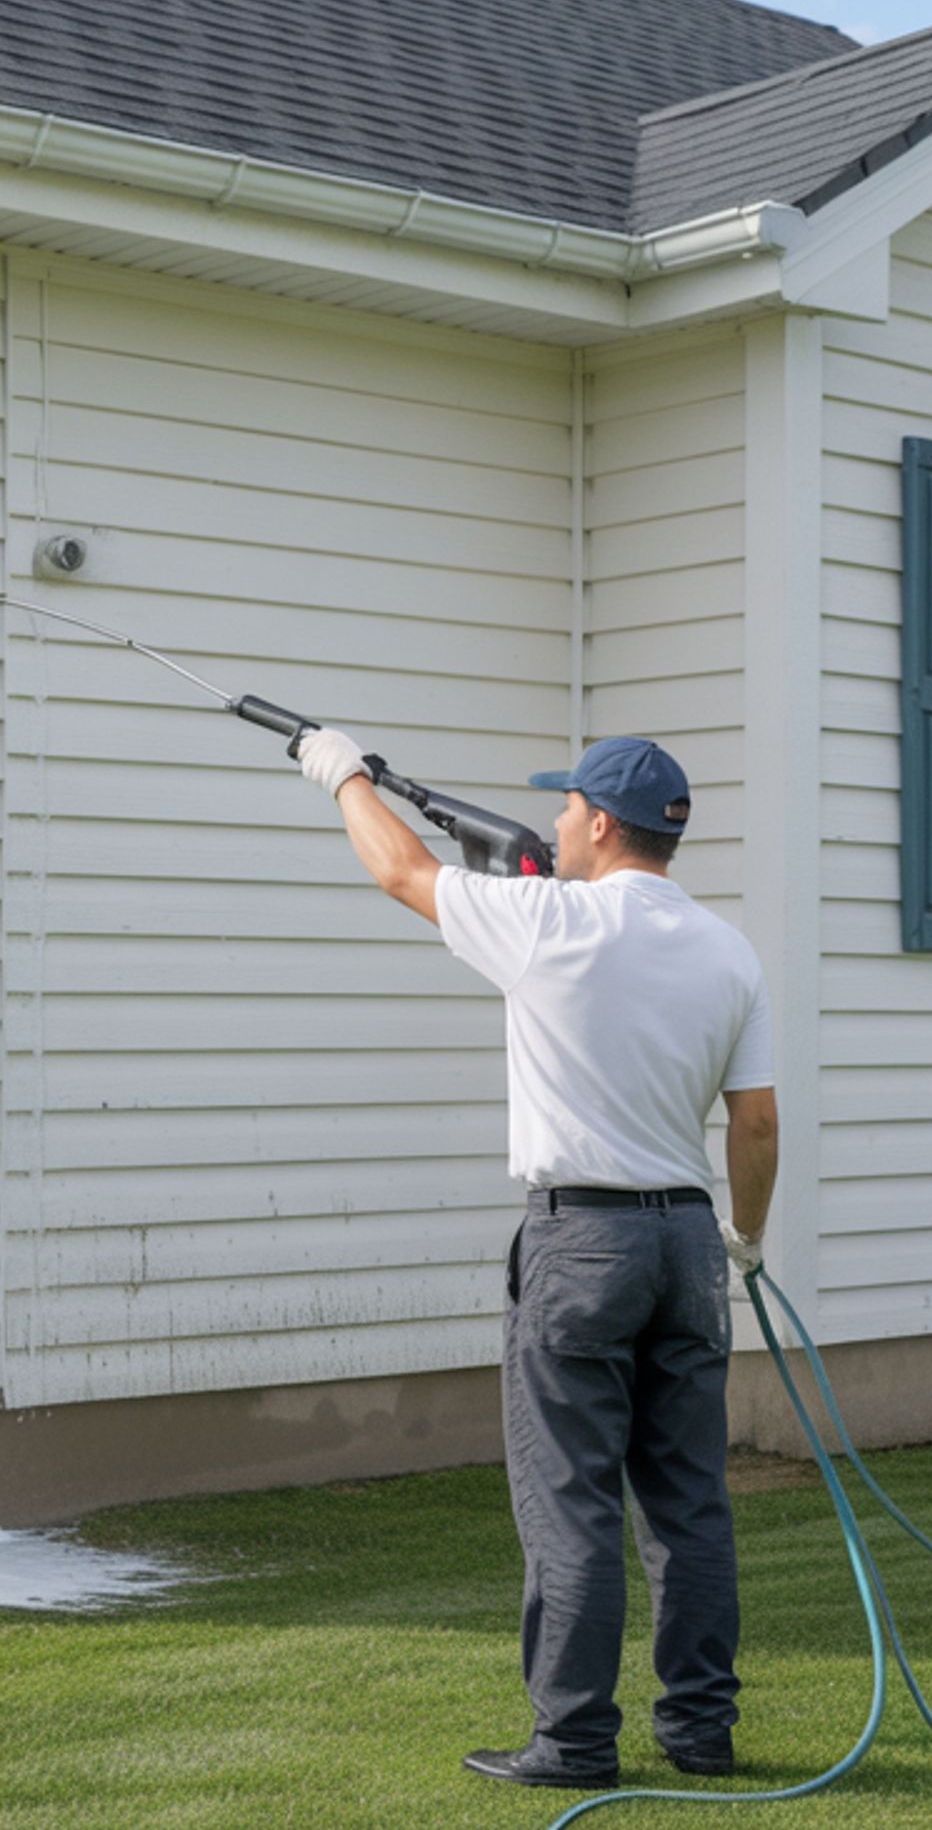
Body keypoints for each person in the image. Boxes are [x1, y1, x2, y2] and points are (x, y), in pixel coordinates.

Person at [294, 728, 778, 1791]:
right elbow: (755, 1125)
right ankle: (699, 1731)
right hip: (689, 1242)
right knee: (689, 1500)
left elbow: (399, 869)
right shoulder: (727, 948)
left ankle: (571, 1744)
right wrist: (744, 1235)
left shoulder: (548, 921)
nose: (556, 820)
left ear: (602, 823)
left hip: (583, 1242)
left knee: (571, 1500)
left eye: (567, 806)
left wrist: (344, 774)